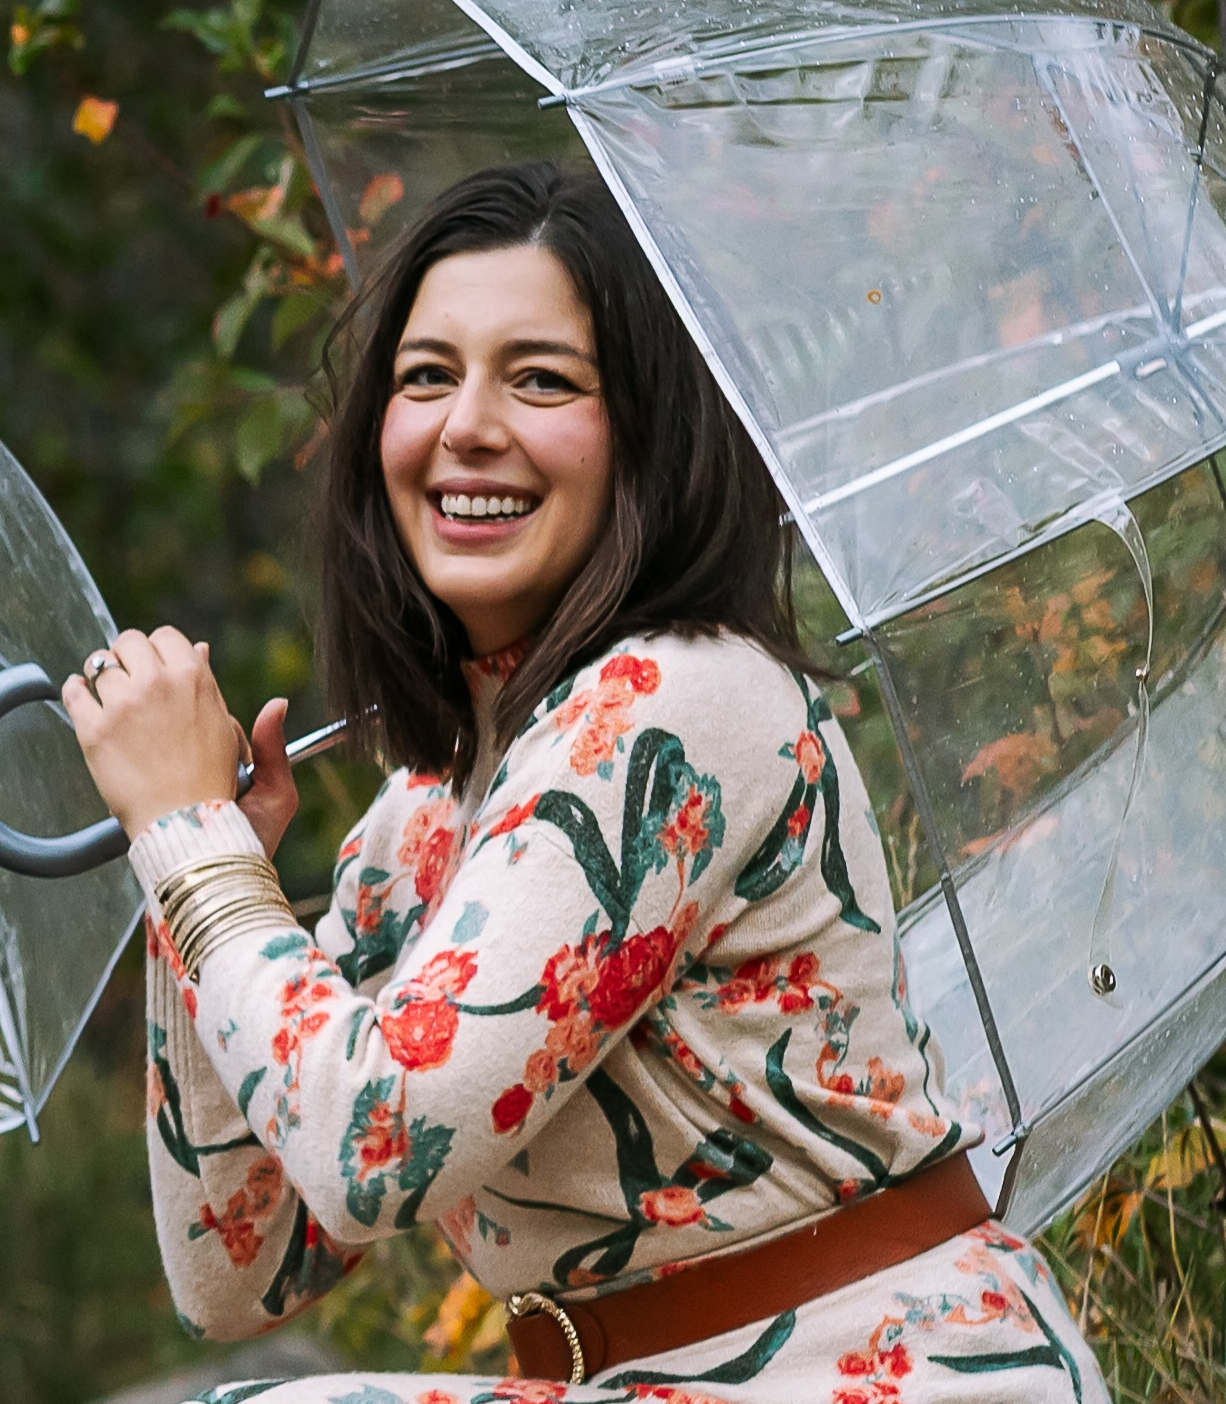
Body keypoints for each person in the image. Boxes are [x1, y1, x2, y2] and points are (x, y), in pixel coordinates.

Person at [64, 162, 1109, 1404]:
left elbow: (372, 1151)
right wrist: (193, 868)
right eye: (425, 376)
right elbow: (241, 1275)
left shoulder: (680, 701)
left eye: (542, 379)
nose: (466, 425)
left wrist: (192, 844)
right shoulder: (425, 816)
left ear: (647, 436)